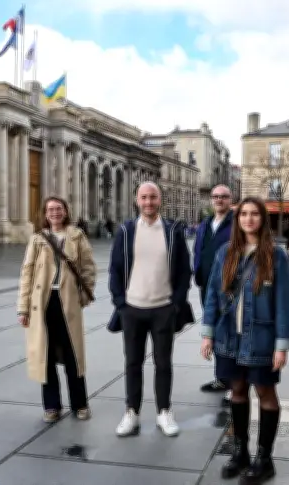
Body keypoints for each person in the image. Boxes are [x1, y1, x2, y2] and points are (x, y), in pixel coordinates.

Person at [201, 197, 289, 482]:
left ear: (263, 219)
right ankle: (240, 451)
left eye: (255, 214)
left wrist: (282, 345)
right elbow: (213, 297)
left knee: (265, 393)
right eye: (244, 214)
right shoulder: (225, 252)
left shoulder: (275, 255)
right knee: (237, 391)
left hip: (262, 338)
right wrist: (207, 334)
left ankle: (264, 458)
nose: (249, 219)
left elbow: (284, 303)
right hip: (228, 336)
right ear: (238, 219)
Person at [108, 182, 193, 437]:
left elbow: (183, 270)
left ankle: (164, 412)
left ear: (160, 200)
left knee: (163, 363)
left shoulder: (172, 231)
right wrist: (120, 303)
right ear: (137, 200)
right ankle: (131, 412)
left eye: (153, 197)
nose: (148, 202)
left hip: (162, 309)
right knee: (132, 363)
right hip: (132, 309)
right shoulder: (126, 230)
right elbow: (115, 269)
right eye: (144, 197)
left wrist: (176, 303)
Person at [17, 196, 97, 423]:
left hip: (68, 302)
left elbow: (88, 268)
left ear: (65, 212)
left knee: (73, 355)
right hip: (42, 303)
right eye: (50, 209)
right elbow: (26, 274)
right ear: (44, 213)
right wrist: (23, 308)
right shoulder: (37, 239)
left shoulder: (77, 236)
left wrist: (83, 295)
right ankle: (51, 406)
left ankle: (80, 404)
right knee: (46, 355)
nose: (54, 213)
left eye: (58, 209)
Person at [193, 184, 234, 396]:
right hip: (207, 287)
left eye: (223, 197)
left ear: (230, 199)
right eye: (215, 197)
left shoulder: (236, 224)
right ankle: (221, 378)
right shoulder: (205, 224)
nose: (219, 200)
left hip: (228, 288)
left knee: (230, 333)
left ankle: (234, 383)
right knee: (215, 332)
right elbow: (197, 250)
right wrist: (196, 271)